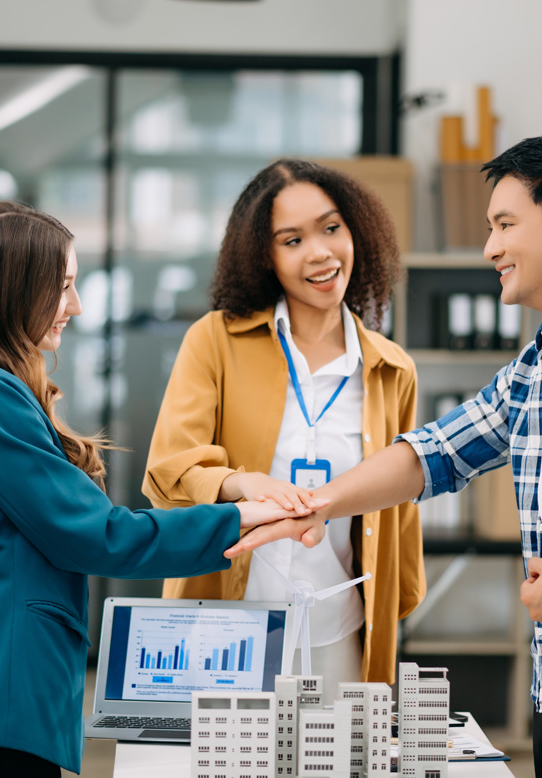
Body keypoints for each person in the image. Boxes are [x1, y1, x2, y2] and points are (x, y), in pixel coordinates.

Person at [229, 132, 542, 778]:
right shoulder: (539, 364)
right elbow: (432, 455)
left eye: (504, 224)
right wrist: (319, 505)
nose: (490, 247)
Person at [0, 201, 309, 778]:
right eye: (62, 287)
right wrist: (239, 517)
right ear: (12, 289)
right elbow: (96, 536)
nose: (75, 307)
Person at [143, 159, 425, 692]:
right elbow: (171, 468)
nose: (319, 252)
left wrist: (396, 600)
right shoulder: (215, 341)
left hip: (340, 630)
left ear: (355, 231)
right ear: (265, 257)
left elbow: (401, 508)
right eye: (291, 240)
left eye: (331, 228)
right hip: (224, 628)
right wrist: (241, 483)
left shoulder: (392, 369)